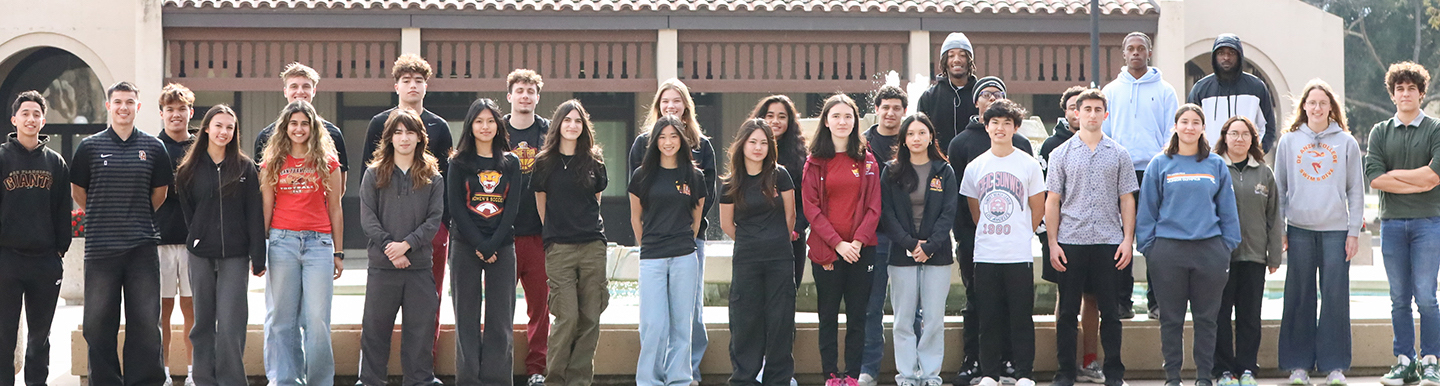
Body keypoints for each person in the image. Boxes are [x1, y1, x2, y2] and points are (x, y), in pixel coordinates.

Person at [74, 81, 173, 386]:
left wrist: (134, 215)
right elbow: (79, 192)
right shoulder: (89, 147)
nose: (123, 108)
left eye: (130, 102)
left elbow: (160, 193)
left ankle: (144, 381)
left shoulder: (154, 148)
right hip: (101, 250)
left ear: (138, 107)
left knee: (145, 323)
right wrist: (106, 214)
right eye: (118, 102)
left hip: (141, 247)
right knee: (97, 324)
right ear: (109, 106)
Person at [1136, 104, 1241, 386]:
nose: (1190, 127)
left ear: (1203, 128)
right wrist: (1150, 248)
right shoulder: (1160, 164)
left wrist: (1225, 246)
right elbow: (1147, 210)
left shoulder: (1215, 164)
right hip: (1168, 253)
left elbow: (1228, 211)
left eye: (1196, 122)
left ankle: (1204, 376)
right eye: (1184, 122)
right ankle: (1172, 376)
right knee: (1171, 320)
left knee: (1207, 320)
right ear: (1175, 127)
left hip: (1209, 251)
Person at [362, 55, 454, 358]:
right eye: (406, 80)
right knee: (378, 316)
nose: (412, 85)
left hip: (430, 231)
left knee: (430, 302)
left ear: (426, 87)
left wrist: (438, 229)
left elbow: (445, 181)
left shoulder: (439, 126)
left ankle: (425, 364)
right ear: (396, 86)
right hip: (386, 234)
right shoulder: (379, 122)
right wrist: (389, 243)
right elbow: (370, 176)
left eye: (418, 81)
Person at [1044, 89, 1135, 386]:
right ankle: (1066, 372)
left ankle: (1114, 373)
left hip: (1109, 241)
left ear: (1105, 115)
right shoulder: (1061, 154)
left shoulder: (1119, 154)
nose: (1092, 114)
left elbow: (1127, 199)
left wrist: (1127, 240)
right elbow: (1053, 200)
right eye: (1087, 109)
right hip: (1071, 240)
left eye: (1098, 110)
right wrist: (1053, 243)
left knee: (1111, 312)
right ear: (1076, 114)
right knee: (1067, 312)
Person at [628, 79, 717, 383]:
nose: (668, 141)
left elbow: (698, 211)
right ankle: (649, 379)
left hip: (685, 253)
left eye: (673, 136)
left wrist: (683, 241)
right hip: (653, 253)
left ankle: (681, 377)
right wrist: (649, 244)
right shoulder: (642, 167)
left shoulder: (696, 167)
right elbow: (636, 215)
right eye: (662, 136)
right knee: (653, 323)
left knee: (685, 321)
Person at [946, 76, 1032, 386]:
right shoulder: (960, 144)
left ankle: (1009, 360)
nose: (991, 98)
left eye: (998, 94)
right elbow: (959, 198)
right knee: (976, 302)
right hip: (975, 241)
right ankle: (974, 359)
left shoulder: (1022, 146)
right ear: (977, 105)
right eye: (986, 95)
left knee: (1013, 304)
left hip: (1012, 243)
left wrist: (1023, 232)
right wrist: (966, 235)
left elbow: (1031, 199)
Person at [1274, 79, 1360, 386]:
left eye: (1323, 102)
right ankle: (1298, 365)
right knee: (1299, 296)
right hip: (1298, 229)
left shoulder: (1346, 142)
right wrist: (1280, 229)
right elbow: (1280, 189)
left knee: (1335, 297)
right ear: (1304, 106)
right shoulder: (1289, 142)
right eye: (1312, 102)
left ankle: (1334, 366)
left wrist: (1353, 232)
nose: (1317, 107)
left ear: (1331, 108)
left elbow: (1356, 191)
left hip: (1336, 231)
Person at [174, 104, 265, 386]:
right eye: (218, 126)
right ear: (206, 129)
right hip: (201, 255)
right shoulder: (188, 169)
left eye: (229, 127)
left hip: (235, 256)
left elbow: (254, 213)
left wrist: (258, 256)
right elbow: (189, 211)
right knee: (202, 322)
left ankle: (232, 381)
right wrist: (198, 236)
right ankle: (203, 379)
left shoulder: (246, 167)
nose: (223, 132)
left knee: (230, 324)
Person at [357, 109, 445, 386]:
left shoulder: (433, 177)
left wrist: (407, 245)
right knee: (375, 330)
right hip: (382, 267)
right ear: (389, 138)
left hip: (418, 267)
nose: (404, 138)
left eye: (410, 132)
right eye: (398, 132)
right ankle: (370, 380)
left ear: (420, 138)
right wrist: (389, 247)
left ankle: (420, 380)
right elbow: (367, 218)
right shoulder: (373, 174)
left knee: (419, 332)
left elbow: (434, 220)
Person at [260, 100, 345, 386]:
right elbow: (266, 207)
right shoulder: (272, 162)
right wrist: (260, 251)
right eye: (293, 123)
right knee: (281, 319)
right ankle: (285, 379)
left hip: (318, 244)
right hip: (281, 242)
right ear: (285, 127)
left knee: (317, 320)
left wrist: (339, 251)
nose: (299, 129)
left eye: (304, 123)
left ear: (313, 127)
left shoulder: (328, 161)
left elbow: (335, 208)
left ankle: (320, 381)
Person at [960, 99, 1044, 386]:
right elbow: (975, 211)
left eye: (1007, 123)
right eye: (994, 122)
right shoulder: (975, 166)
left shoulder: (1029, 164)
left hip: (1018, 254)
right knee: (988, 318)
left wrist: (1022, 233)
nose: (1000, 128)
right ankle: (989, 374)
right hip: (986, 254)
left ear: (1015, 128)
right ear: (986, 126)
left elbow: (1038, 207)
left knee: (1021, 317)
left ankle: (1024, 374)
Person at [1366, 62, 1440, 386]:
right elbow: (1375, 179)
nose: (1406, 93)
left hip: (1428, 222)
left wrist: (1396, 175)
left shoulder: (1436, 129)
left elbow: (1435, 176)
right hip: (1393, 224)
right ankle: (1404, 361)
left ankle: (1431, 361)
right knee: (1398, 298)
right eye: (1400, 89)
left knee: (1426, 296)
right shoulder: (1379, 131)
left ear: (1421, 93)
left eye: (1412, 88)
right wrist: (1419, 181)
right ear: (1393, 94)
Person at [802, 94, 881, 386]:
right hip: (828, 252)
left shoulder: (867, 159)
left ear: (855, 121)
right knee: (828, 316)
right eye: (836, 116)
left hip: (862, 252)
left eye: (848, 116)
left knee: (858, 317)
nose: (842, 122)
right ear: (826, 121)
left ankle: (851, 376)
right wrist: (838, 244)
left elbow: (875, 207)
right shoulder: (814, 162)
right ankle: (831, 375)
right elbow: (811, 208)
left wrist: (857, 243)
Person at [1101, 31, 1178, 321]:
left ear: (1149, 52)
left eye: (1140, 48)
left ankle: (1157, 302)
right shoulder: (1110, 91)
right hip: (1120, 173)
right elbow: (1105, 136)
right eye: (1130, 48)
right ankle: (1122, 301)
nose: (1135, 53)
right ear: (1123, 54)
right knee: (1121, 238)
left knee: (1155, 239)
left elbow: (1172, 133)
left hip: (1155, 172)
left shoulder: (1166, 91)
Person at [532, 100, 610, 386]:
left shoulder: (594, 160)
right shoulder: (544, 162)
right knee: (566, 318)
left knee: (590, 317)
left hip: (592, 246)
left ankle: (579, 381)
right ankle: (555, 380)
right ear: (558, 125)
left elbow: (596, 201)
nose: (573, 125)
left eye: (578, 121)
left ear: (584, 126)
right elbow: (541, 201)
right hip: (559, 248)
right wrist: (553, 233)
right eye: (567, 120)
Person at [449, 99, 522, 386]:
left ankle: (497, 379)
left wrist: (493, 244)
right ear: (470, 126)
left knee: (500, 319)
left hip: (502, 246)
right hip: (465, 246)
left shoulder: (511, 162)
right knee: (466, 318)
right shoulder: (458, 162)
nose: (485, 126)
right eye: (479, 121)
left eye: (490, 121)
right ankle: (468, 380)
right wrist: (480, 243)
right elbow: (455, 208)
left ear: (498, 125)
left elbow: (512, 207)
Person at [719, 119, 798, 386]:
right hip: (747, 259)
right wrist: (753, 241)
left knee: (780, 321)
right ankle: (744, 379)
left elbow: (791, 217)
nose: (758, 147)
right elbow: (727, 225)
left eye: (764, 142)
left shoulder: (780, 175)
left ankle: (778, 380)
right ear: (742, 145)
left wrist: (773, 241)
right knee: (745, 322)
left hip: (779, 259)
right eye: (752, 142)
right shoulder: (731, 183)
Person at [0, 90, 71, 386]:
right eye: (25, 113)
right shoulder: (2, 158)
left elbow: (62, 210)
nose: (31, 119)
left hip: (45, 261)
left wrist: (59, 252)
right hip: (7, 259)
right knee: (4, 336)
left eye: (36, 114)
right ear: (14, 119)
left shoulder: (55, 163)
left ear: (44, 121)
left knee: (40, 337)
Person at [879, 113, 955, 386]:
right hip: (902, 254)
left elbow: (949, 213)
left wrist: (931, 245)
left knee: (934, 318)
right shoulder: (891, 171)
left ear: (931, 136)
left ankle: (931, 374)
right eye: (910, 134)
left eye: (922, 133)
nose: (916, 139)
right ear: (903, 139)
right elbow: (887, 214)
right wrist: (911, 244)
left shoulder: (944, 170)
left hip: (939, 254)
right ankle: (908, 375)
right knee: (903, 319)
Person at [1039, 86, 1107, 384]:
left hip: (1099, 239)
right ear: (1070, 112)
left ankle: (1090, 360)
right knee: (1064, 300)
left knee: (1092, 299)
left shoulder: (1109, 148)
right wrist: (1050, 239)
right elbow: (1047, 198)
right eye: (1074, 108)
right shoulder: (1051, 148)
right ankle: (1065, 364)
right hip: (1060, 237)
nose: (1083, 114)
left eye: (1094, 109)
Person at [1210, 116, 1282, 386]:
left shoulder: (1264, 172)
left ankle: (1247, 368)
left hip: (1253, 257)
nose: (1239, 139)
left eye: (1245, 134)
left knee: (1249, 316)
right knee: (1220, 314)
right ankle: (1224, 370)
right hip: (1220, 257)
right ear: (1224, 137)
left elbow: (1274, 217)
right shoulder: (1214, 167)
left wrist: (1274, 255)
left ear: (1253, 139)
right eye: (1233, 133)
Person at [505, 69, 552, 386]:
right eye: (519, 90)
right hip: (502, 234)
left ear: (537, 96)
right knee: (501, 307)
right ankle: (500, 365)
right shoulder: (495, 130)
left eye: (530, 91)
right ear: (509, 96)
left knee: (540, 307)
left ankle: (537, 368)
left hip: (539, 233)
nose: (525, 95)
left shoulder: (548, 132)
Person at [859, 84, 907, 386]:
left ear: (904, 111)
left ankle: (913, 369)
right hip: (872, 236)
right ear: (876, 109)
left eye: (896, 108)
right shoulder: (862, 143)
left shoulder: (913, 139)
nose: (890, 113)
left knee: (909, 309)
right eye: (885, 107)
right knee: (871, 306)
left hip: (905, 237)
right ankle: (868, 369)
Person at [155, 84, 198, 386]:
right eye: (170, 109)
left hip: (194, 242)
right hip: (159, 241)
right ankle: (165, 373)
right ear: (161, 114)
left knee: (192, 309)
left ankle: (195, 373)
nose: (176, 114)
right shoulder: (152, 147)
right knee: (162, 312)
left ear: (190, 112)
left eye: (181, 109)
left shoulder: (201, 148)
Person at [748, 95, 808, 287]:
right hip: (756, 238)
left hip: (791, 237)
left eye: (782, 116)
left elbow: (808, 198)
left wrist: (796, 229)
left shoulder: (801, 156)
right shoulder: (749, 153)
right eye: (770, 115)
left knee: (787, 296)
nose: (775, 121)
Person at [253, 63, 350, 182]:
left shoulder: (333, 134)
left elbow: (339, 186)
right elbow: (260, 184)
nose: (300, 91)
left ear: (314, 91)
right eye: (294, 86)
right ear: (285, 91)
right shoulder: (266, 136)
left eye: (306, 87)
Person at [1186, 33, 1278, 153]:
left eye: (1231, 53)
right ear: (1214, 57)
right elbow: (1191, 126)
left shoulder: (1256, 87)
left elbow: (1268, 127)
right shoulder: (1201, 89)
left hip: (1246, 163)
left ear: (1240, 56)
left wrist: (1255, 154)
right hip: (1211, 161)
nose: (1226, 58)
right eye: (1221, 53)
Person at [918, 32, 979, 153]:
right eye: (951, 56)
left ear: (969, 60)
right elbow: (920, 133)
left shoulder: (981, 95)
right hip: (940, 165)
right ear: (944, 61)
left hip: (975, 163)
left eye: (962, 55)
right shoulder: (929, 97)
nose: (956, 60)